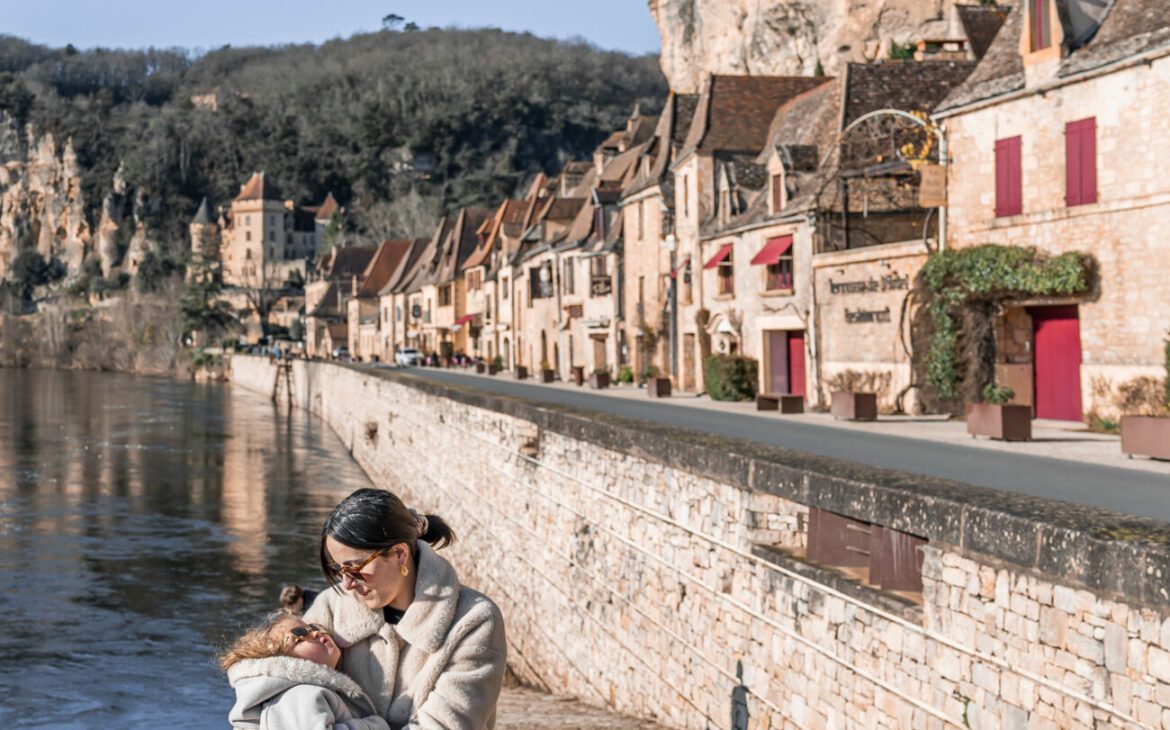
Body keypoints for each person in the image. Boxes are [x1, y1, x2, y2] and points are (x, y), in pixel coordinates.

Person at [305, 488, 506, 729]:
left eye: (356, 567)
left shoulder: (474, 621)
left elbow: (445, 724)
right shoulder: (331, 606)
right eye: (339, 569)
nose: (347, 584)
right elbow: (283, 682)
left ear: (400, 553)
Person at [222, 613, 390, 730]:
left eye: (312, 627)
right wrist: (376, 726)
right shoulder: (300, 696)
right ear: (283, 660)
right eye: (300, 635)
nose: (315, 633)